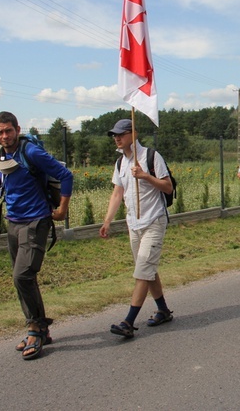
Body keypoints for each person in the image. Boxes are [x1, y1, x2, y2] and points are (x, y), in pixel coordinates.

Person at [0, 111, 73, 360]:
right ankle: (40, 329)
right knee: (24, 279)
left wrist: (62, 209)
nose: (4, 136)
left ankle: (35, 329)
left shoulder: (32, 152)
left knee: (23, 275)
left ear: (17, 129)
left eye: (8, 130)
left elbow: (65, 175)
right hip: (13, 223)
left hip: (36, 220)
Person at [99, 119, 174, 339]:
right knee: (147, 269)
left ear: (134, 134)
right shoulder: (120, 162)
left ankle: (128, 322)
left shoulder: (151, 156)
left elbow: (167, 186)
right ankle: (162, 310)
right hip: (134, 224)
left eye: (120, 134)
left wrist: (145, 176)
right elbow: (117, 193)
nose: (116, 138)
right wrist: (107, 221)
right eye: (114, 135)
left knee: (143, 270)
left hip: (154, 221)